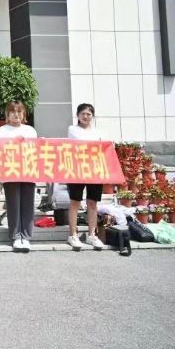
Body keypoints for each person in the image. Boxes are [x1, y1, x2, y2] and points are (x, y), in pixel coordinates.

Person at [0, 101, 38, 252]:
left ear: (24, 114)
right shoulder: (1, 131)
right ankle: (15, 236)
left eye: (19, 111)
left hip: (28, 171)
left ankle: (26, 236)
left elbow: (36, 150)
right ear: (7, 114)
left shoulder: (30, 130)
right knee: (13, 204)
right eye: (13, 111)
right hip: (10, 171)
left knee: (28, 204)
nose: (16, 114)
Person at [66, 103, 106, 250]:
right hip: (77, 169)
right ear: (77, 115)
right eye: (83, 113)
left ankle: (92, 235)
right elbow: (83, 143)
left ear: (92, 116)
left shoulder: (98, 132)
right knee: (75, 202)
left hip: (95, 169)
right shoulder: (72, 129)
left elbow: (102, 149)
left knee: (92, 203)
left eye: (89, 114)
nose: (85, 116)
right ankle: (73, 234)